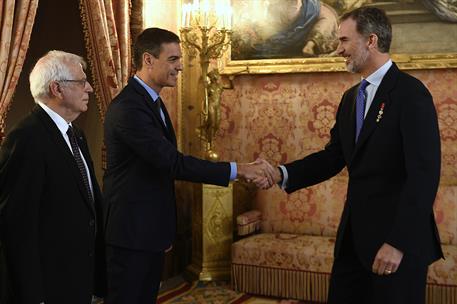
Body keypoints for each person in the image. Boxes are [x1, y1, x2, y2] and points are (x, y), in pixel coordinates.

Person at [265, 7, 443, 303]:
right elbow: (333, 157)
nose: (339, 50)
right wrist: (282, 173)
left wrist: (397, 243)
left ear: (371, 41)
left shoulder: (411, 94)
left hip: (395, 244)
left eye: (345, 41)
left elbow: (423, 177)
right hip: (353, 241)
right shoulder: (351, 99)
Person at [103, 27, 270, 304]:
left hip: (146, 230)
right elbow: (172, 163)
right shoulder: (129, 108)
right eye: (173, 59)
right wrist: (238, 169)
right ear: (148, 60)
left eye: (179, 59)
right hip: (130, 233)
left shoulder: (150, 101)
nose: (180, 67)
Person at [0, 51, 106, 304]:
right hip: (48, 288)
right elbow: (17, 229)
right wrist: (32, 296)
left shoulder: (76, 134)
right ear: (56, 88)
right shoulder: (26, 139)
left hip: (77, 280)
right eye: (81, 82)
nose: (89, 88)